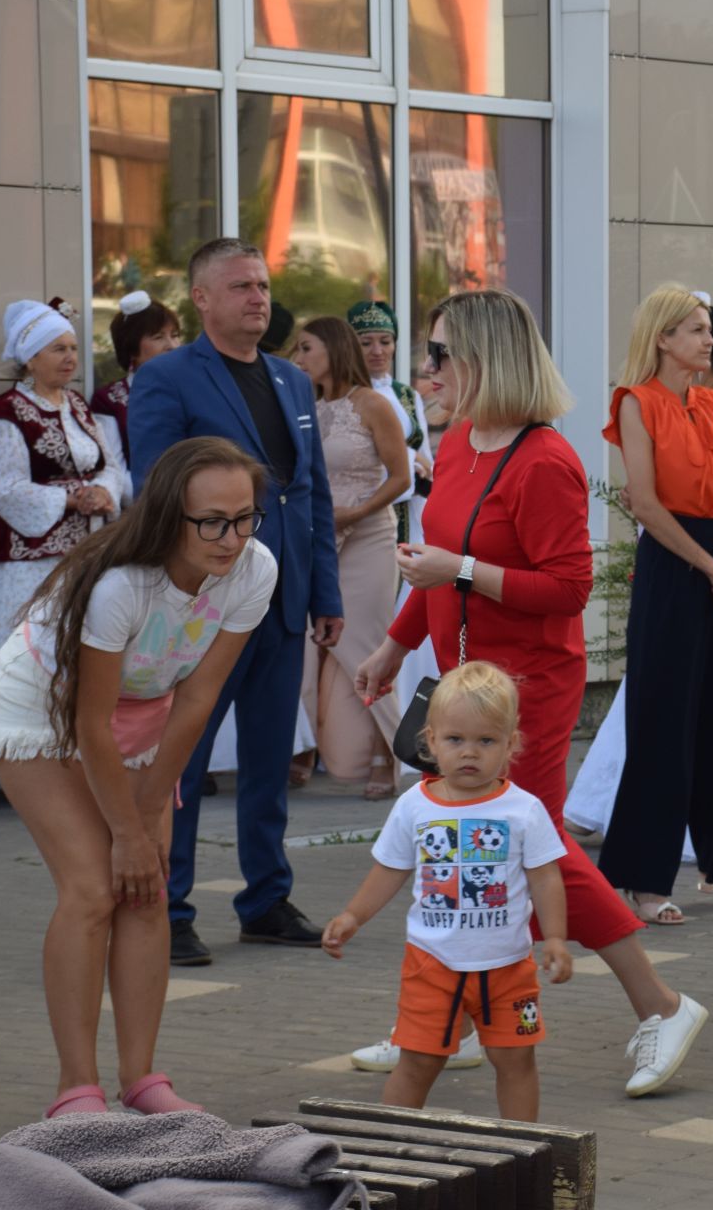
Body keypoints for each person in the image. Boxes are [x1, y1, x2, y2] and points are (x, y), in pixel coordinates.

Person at [351, 288, 708, 1096]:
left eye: (438, 354)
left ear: (484, 358)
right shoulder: (462, 443)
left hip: (530, 691)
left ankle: (662, 1003)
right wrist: (393, 645)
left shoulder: (543, 459)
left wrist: (463, 573)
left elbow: (568, 587)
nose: (425, 371)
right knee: (507, 844)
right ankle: (462, 1017)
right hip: (470, 687)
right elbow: (435, 566)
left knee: (528, 845)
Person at [0, 437, 277, 1118]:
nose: (231, 538)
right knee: (94, 888)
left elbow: (198, 696)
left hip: (142, 710)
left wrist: (151, 819)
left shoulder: (256, 569)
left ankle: (142, 1081)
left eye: (244, 518)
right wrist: (126, 829)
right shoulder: (122, 585)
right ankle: (76, 1089)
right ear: (167, 516)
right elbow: (88, 721)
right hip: (42, 710)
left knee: (147, 890)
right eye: (211, 521)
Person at [129, 237, 344, 967]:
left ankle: (265, 900)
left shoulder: (290, 380)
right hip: (204, 605)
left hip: (281, 603)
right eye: (242, 286)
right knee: (182, 765)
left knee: (267, 758)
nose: (259, 297)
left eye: (262, 284)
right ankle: (169, 905)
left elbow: (308, 493)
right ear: (202, 299)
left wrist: (324, 591)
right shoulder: (168, 379)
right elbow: (154, 490)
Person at [565, 303, 713, 854]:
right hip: (678, 561)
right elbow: (644, 501)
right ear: (663, 339)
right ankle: (646, 872)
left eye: (710, 331)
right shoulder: (637, 403)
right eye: (697, 330)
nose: (710, 341)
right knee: (663, 717)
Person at [322, 662, 574, 1121]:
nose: (470, 753)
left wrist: (554, 937)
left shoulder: (524, 810)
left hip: (508, 966)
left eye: (486, 741)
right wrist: (353, 916)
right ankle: (388, 1149)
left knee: (516, 1062)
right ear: (431, 741)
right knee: (418, 1061)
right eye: (455, 739)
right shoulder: (414, 805)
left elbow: (545, 877)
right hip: (430, 964)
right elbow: (389, 870)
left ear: (510, 744)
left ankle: (521, 1153)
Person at [0, 299, 124, 789]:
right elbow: (5, 489)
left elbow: (110, 464)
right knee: (28, 659)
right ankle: (10, 764)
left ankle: (70, 756)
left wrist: (104, 492)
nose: (70, 358)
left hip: (86, 555)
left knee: (77, 656)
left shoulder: (78, 406)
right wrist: (74, 498)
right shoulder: (4, 413)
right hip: (32, 563)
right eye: (57, 349)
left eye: (72, 348)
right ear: (29, 357)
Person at [291, 316, 410, 800]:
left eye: (306, 348)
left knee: (365, 646)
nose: (298, 359)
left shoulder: (374, 404)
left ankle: (392, 754)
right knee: (307, 647)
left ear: (334, 349)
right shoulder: (308, 408)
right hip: (318, 544)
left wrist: (356, 512)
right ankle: (308, 747)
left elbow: (401, 478)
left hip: (369, 541)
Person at [348, 300, 432, 545]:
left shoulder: (407, 395)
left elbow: (426, 457)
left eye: (385, 341)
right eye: (366, 343)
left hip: (410, 513)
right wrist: (410, 457)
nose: (377, 351)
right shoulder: (344, 394)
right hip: (365, 514)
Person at [91, 290, 182, 507]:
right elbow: (114, 470)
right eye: (159, 337)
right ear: (131, 349)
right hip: (142, 514)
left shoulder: (192, 390)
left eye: (175, 335)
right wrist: (162, 504)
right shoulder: (109, 400)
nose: (171, 345)